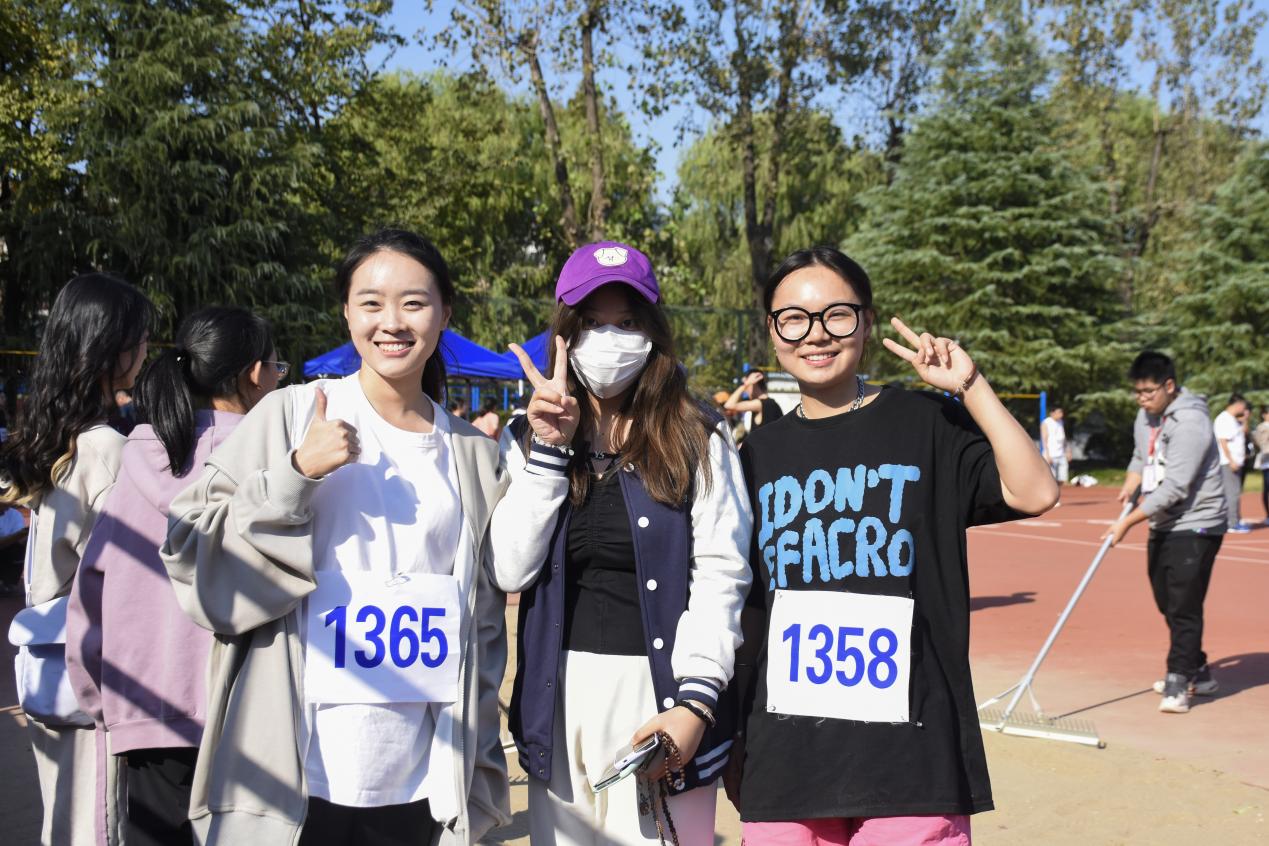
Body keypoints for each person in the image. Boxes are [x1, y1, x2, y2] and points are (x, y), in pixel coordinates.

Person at [160, 228, 510, 844]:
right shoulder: (291, 415)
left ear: (445, 314)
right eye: (371, 303)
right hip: (296, 772)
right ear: (347, 312)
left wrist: (476, 761)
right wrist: (294, 475)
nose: (392, 322)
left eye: (414, 302)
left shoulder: (473, 454)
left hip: (423, 777)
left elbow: (483, 621)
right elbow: (190, 550)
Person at [727, 246, 1058, 846]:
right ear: (773, 331)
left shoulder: (926, 422)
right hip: (788, 757)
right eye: (793, 319)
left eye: (837, 315)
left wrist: (971, 387)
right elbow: (749, 609)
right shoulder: (757, 456)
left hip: (911, 753)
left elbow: (1034, 492)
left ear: (867, 321)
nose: (816, 334)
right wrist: (735, 736)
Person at [495, 241, 752, 846]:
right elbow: (510, 568)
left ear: (653, 332)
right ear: (564, 333)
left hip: (663, 696)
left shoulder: (697, 435)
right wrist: (551, 450)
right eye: (592, 323)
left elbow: (722, 574)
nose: (610, 340)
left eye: (628, 323)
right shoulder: (525, 435)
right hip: (558, 701)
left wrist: (694, 704)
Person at [64, 306, 282, 846]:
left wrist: (103, 703)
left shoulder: (139, 458)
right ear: (255, 374)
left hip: (149, 708)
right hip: (257, 715)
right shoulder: (279, 464)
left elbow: (90, 593)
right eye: (279, 367)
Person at [1, 273, 154, 846]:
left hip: (47, 659)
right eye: (140, 338)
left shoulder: (53, 435)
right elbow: (126, 577)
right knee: (97, 821)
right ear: (111, 348)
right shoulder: (108, 447)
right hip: (90, 666)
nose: (145, 350)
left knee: (64, 814)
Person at [1104, 352, 1227, 714]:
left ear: (1169, 386)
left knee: (1184, 603)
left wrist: (1127, 522)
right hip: (1163, 521)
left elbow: (1175, 486)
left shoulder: (1191, 423)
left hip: (1197, 522)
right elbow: (1140, 456)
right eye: (1137, 392)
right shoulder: (1145, 416)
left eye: (1148, 392)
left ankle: (1178, 678)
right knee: (1166, 599)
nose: (1142, 399)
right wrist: (1131, 482)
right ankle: (1198, 668)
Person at [1212, 393, 1251, 533]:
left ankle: (1235, 519)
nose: (1244, 409)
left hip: (1235, 462)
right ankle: (1232, 523)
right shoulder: (1224, 419)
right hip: (1228, 463)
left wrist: (1245, 419)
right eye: (1243, 406)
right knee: (1232, 493)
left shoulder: (1233, 419)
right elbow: (1222, 441)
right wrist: (1231, 460)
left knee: (1234, 491)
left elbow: (1243, 433)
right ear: (1237, 404)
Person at [724, 371, 784, 437]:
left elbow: (728, 405)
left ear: (754, 384)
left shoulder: (760, 404)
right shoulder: (771, 403)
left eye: (747, 386)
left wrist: (745, 384)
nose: (745, 390)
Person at [1040, 406, 1072, 484]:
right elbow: (1044, 439)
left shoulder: (1061, 422)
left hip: (1061, 453)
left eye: (1061, 412)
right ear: (1052, 413)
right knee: (1051, 479)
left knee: (1063, 478)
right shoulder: (1046, 423)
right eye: (1059, 412)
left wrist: (1068, 450)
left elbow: (1063, 438)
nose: (1061, 414)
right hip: (1051, 454)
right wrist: (1047, 454)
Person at [1254, 406, 1269, 524]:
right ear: (1264, 415)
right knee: (1267, 488)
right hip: (1266, 461)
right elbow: (1259, 443)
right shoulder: (1260, 428)